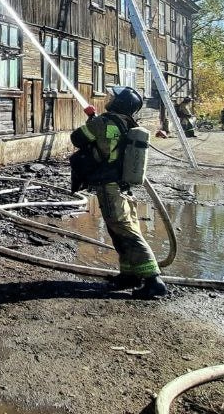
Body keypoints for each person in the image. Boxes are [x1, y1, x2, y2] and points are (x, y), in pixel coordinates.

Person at [70, 87, 169, 299]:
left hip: (109, 185)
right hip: (121, 184)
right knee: (119, 230)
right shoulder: (127, 123)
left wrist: (93, 122)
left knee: (125, 230)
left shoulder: (103, 122)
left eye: (113, 97)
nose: (110, 98)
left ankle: (153, 280)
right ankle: (130, 274)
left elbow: (77, 138)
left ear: (120, 103)